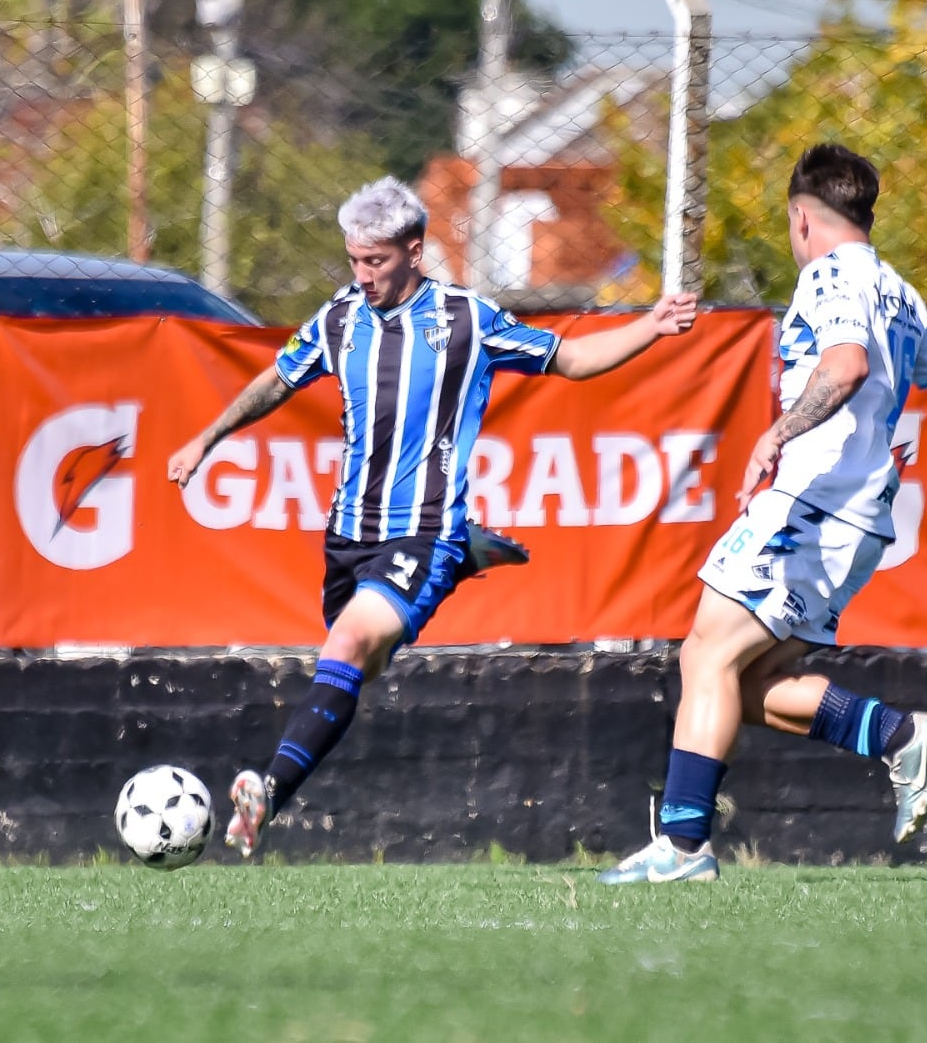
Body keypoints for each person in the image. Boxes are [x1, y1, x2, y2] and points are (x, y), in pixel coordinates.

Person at [167, 176, 698, 857]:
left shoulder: (465, 320)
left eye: (376, 262)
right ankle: (464, 560)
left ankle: (269, 790)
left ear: (415, 251)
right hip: (348, 538)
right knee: (362, 664)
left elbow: (569, 359)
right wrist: (207, 437)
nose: (362, 276)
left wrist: (649, 325)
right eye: (355, 260)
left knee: (351, 644)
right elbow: (278, 378)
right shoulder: (340, 320)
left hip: (421, 528)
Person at [599, 143, 927, 885]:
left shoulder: (830, 276)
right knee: (740, 685)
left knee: (704, 657)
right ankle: (899, 737)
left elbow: (843, 366)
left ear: (801, 219)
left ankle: (682, 850)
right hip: (859, 520)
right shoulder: (897, 290)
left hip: (813, 504)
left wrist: (777, 434)